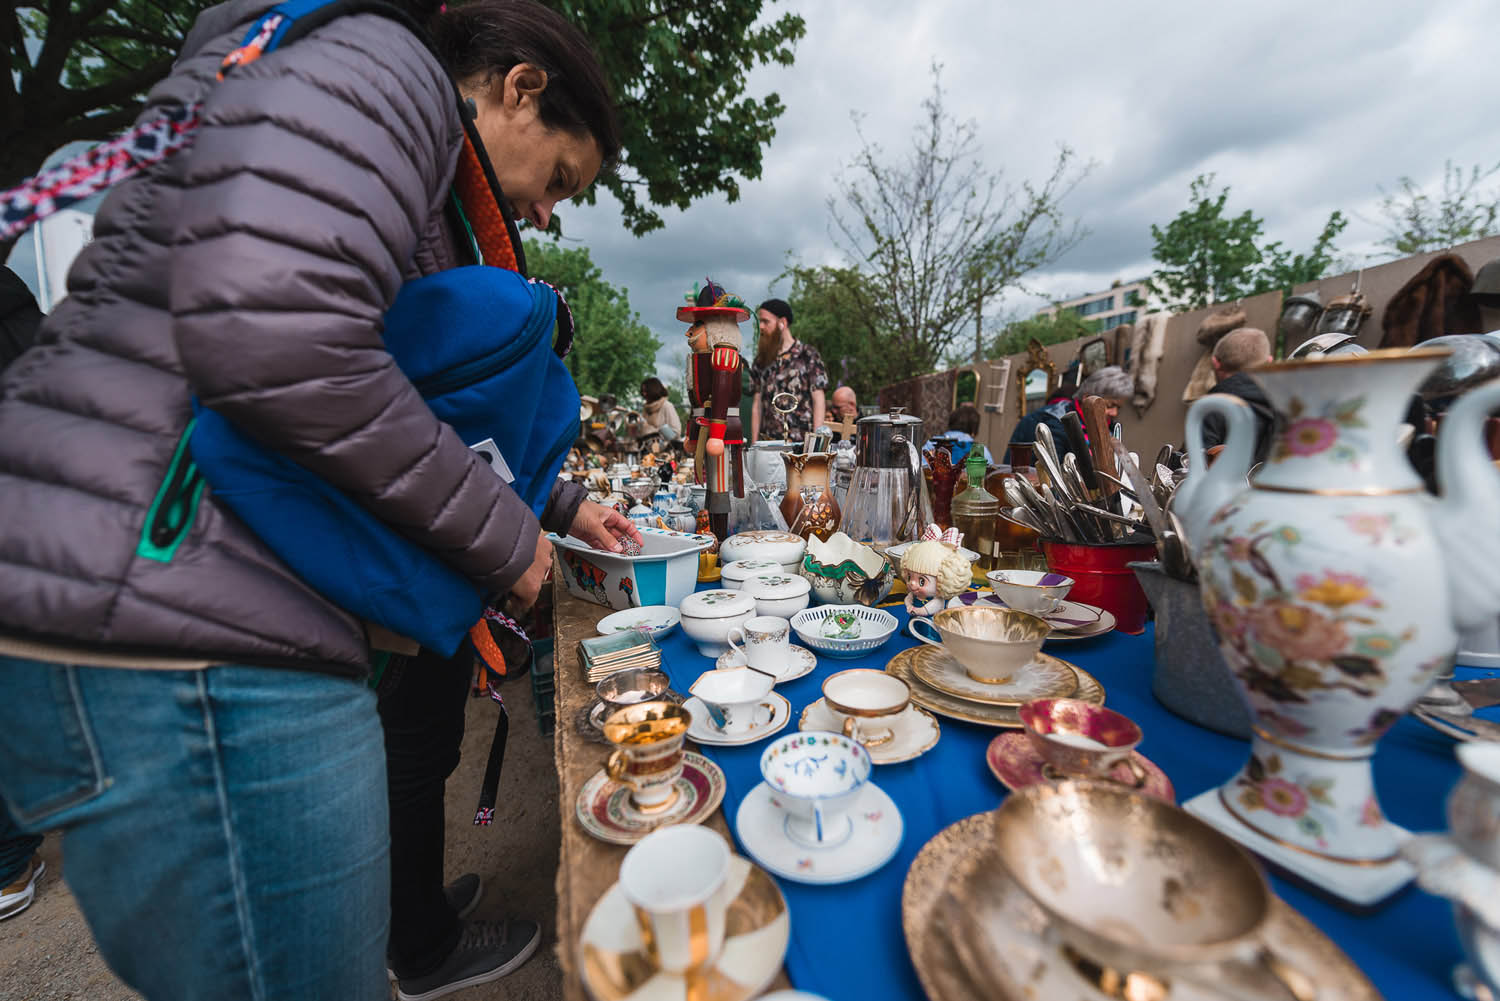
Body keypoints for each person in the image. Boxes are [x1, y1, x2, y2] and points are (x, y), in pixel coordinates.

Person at [0, 2, 635, 999]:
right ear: (522, 86)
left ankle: (412, 932)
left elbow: (412, 394)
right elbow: (282, 342)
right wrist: (513, 542)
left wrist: (557, 498)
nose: (548, 212)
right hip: (188, 618)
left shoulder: (371, 130)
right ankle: (417, 948)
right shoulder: (389, 75)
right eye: (559, 178)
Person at [1006, 365, 1134, 464]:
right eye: (1110, 405)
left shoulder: (1110, 429)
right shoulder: (1053, 423)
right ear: (1087, 398)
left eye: (1119, 408)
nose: (1115, 413)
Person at [748, 298, 827, 443]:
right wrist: (754, 447)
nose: (762, 327)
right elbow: (757, 405)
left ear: (782, 323)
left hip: (801, 447)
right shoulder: (761, 361)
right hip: (769, 445)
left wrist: (816, 444)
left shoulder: (808, 355)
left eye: (766, 321)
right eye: (760, 322)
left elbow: (819, 400)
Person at [1199, 327, 1276, 464]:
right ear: (1269, 362)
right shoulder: (1287, 407)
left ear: (1216, 363)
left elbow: (1192, 466)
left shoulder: (1210, 406)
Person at [923, 402, 995, 468]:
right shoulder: (981, 450)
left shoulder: (933, 443)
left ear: (950, 423)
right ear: (973, 430)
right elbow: (989, 476)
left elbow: (919, 468)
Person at [640, 376, 682, 441]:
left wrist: (651, 431)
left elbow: (676, 433)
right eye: (642, 391)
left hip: (668, 448)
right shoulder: (646, 408)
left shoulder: (667, 406)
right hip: (648, 448)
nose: (644, 394)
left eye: (646, 391)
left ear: (654, 390)